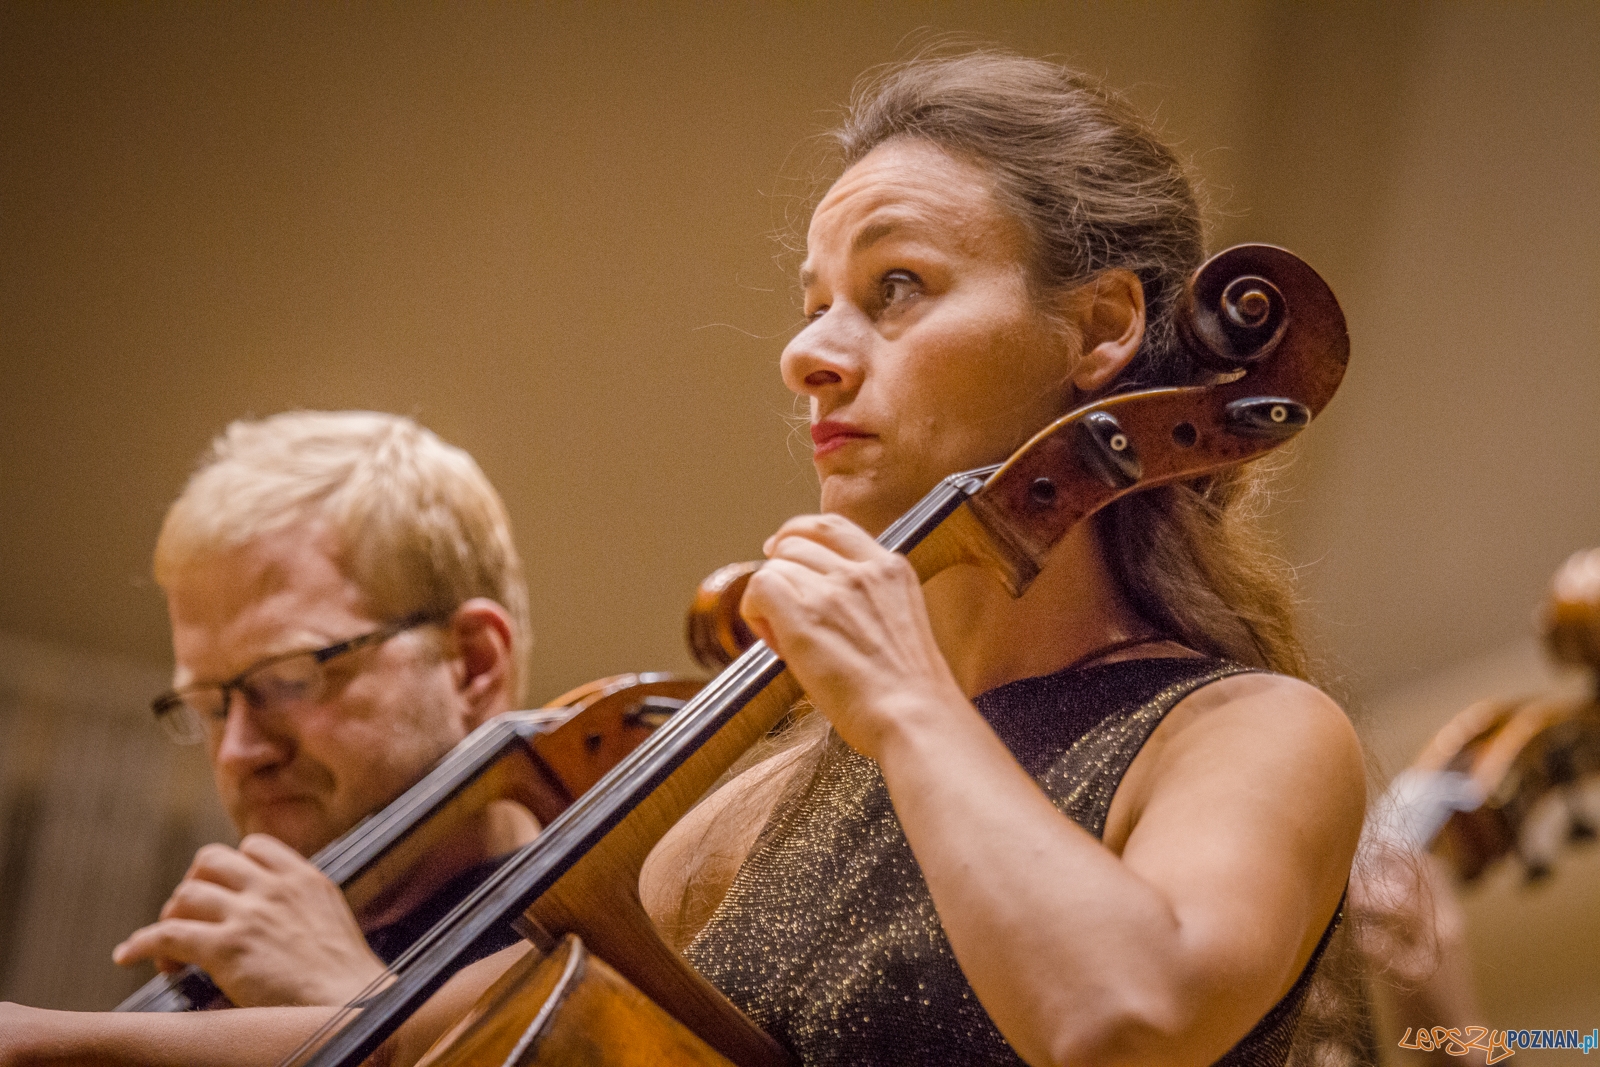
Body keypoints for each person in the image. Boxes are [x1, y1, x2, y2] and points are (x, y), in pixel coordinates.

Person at [0, 51, 1366, 1067]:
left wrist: (899, 698)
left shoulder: (1242, 735)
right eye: (816, 301)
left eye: (897, 285)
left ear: (1105, 327)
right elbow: (508, 1024)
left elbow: (1124, 1012)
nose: (811, 350)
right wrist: (60, 1040)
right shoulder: (762, 796)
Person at [116, 410, 538, 1008]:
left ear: (472, 664)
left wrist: (350, 1008)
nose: (239, 752)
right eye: (210, 706)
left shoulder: (617, 942)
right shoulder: (234, 971)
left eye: (290, 678)